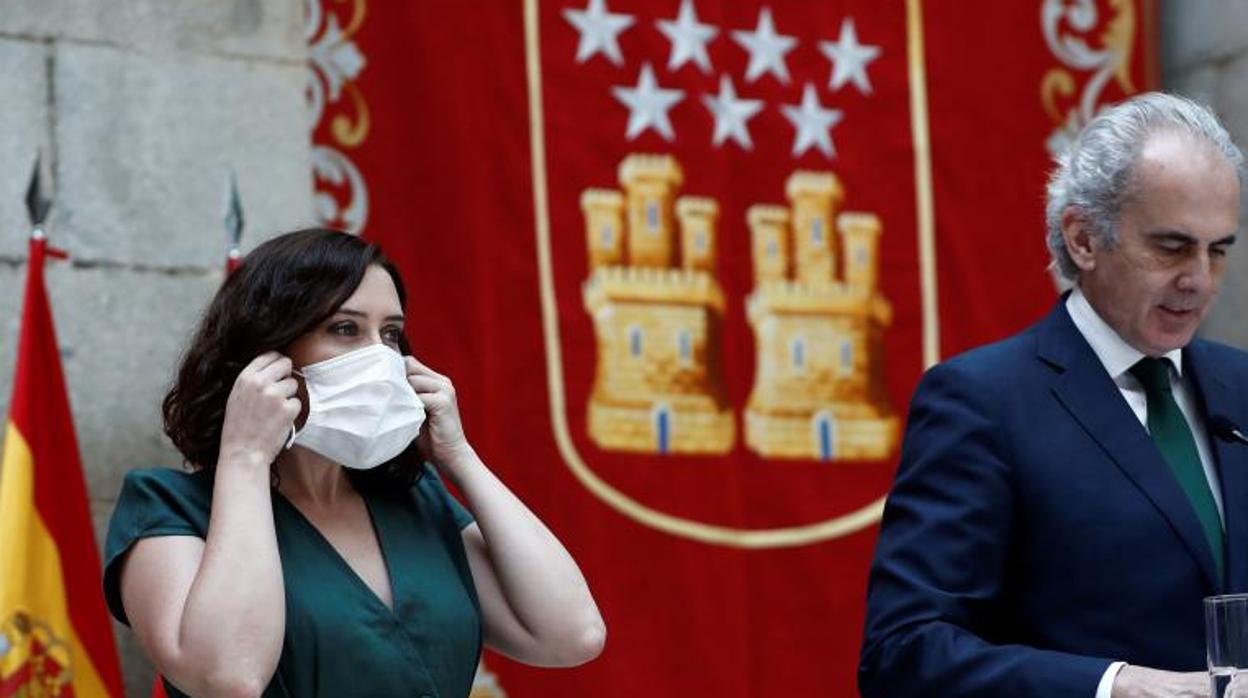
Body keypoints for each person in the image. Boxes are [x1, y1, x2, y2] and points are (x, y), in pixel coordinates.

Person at [103, 229, 605, 697]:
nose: (379, 357)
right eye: (345, 329)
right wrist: (246, 457)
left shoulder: (416, 501)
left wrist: (460, 458)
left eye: (390, 334)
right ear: (266, 353)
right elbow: (229, 676)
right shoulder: (168, 507)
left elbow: (572, 634)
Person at [859, 92, 1247, 698]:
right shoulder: (983, 403)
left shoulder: (1242, 388)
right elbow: (906, 651)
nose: (1199, 279)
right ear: (1083, 239)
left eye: (1218, 250)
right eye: (1171, 247)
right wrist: (1116, 687)